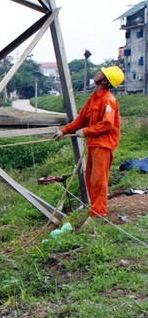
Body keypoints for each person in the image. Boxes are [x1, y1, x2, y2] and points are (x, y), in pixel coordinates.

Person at [52, 65, 123, 222]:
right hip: (94, 145)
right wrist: (64, 131)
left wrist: (86, 132)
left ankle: (98, 214)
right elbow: (80, 120)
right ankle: (94, 210)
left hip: (104, 145)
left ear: (104, 81)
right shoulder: (95, 98)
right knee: (91, 179)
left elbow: (107, 124)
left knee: (98, 180)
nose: (97, 73)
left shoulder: (108, 100)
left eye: (101, 73)